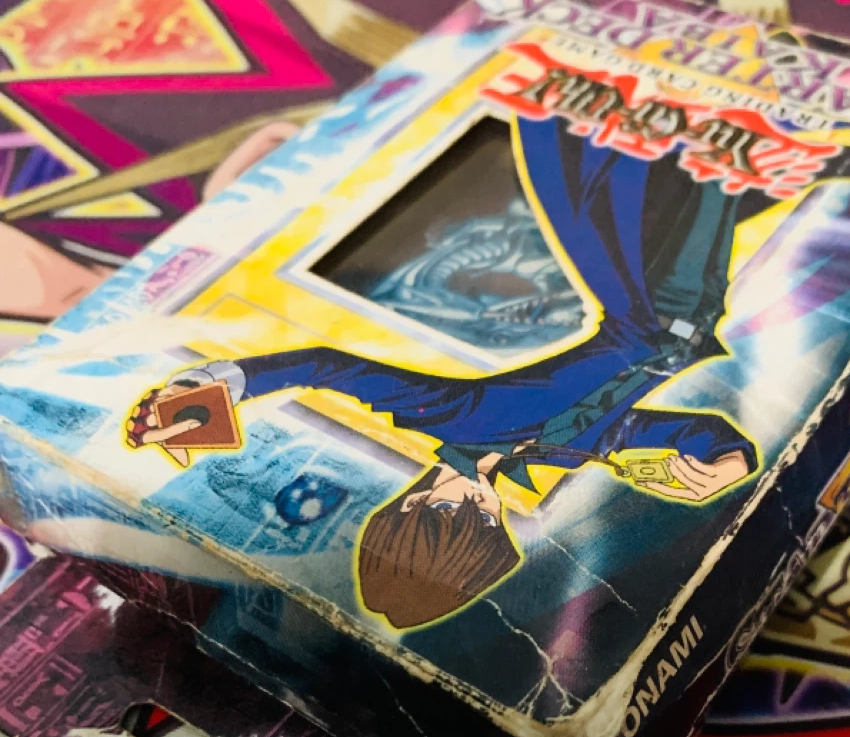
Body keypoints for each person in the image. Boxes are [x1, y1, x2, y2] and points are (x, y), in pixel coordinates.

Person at [128, 116, 758, 630]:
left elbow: (326, 367)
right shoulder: (560, 455)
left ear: (416, 501)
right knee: (727, 166)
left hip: (643, 290)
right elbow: (666, 432)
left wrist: (218, 383)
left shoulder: (446, 415)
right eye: (488, 525)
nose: (486, 507)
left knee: (695, 158)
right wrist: (725, 463)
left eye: (460, 515)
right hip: (692, 308)